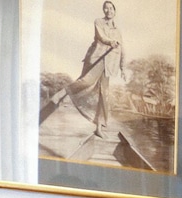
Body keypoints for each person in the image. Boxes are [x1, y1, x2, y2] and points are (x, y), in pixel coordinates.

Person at [46, 1, 126, 138]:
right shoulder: (99, 22)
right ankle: (62, 93)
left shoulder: (118, 31)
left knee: (104, 96)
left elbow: (122, 49)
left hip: (109, 66)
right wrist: (110, 42)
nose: (108, 10)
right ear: (103, 11)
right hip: (97, 59)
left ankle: (99, 128)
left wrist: (122, 68)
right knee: (87, 81)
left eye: (111, 8)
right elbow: (101, 36)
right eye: (105, 8)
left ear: (115, 11)